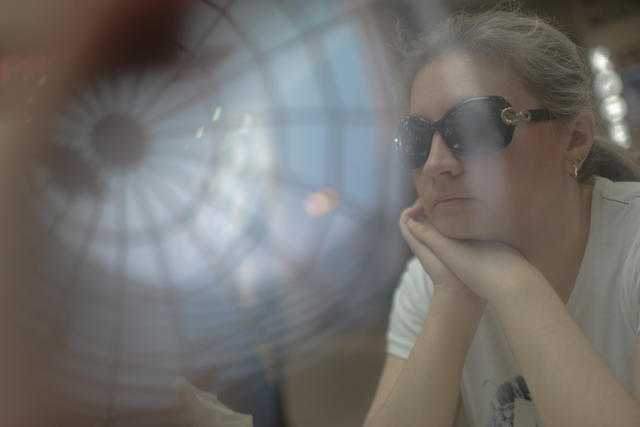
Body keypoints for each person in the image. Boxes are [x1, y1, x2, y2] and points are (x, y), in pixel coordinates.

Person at [364, 5, 640, 427]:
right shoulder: (433, 279)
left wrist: (514, 285)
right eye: (415, 138)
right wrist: (454, 297)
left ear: (575, 138)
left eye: (475, 127)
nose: (437, 163)